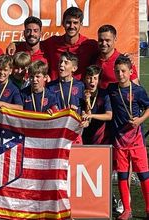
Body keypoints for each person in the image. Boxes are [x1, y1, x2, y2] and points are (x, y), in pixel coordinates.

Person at [108, 55, 149, 219]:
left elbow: (148, 108)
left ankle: (148, 208)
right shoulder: (112, 90)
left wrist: (140, 120)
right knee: (122, 176)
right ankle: (127, 209)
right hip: (119, 141)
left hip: (136, 140)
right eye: (117, 71)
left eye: (124, 71)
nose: (120, 74)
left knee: (144, 175)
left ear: (131, 72)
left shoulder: (138, 90)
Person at [7, 7, 98, 81]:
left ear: (81, 24)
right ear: (63, 23)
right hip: (54, 93)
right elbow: (34, 41)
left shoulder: (90, 44)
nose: (71, 26)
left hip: (79, 93)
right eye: (68, 22)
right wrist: (14, 43)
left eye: (75, 23)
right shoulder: (53, 42)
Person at [47, 52, 85, 144]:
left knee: (75, 157)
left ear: (74, 68)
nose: (61, 65)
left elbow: (85, 108)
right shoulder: (50, 86)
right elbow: (47, 106)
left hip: (75, 130)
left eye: (66, 62)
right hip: (57, 131)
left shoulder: (80, 85)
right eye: (60, 62)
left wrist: (84, 117)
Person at [96, 24, 139, 89]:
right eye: (101, 40)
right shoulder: (93, 57)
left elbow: (136, 88)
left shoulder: (124, 61)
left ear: (115, 39)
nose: (104, 44)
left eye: (107, 40)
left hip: (117, 98)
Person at [81, 65, 112, 144]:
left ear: (99, 80)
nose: (92, 81)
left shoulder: (104, 94)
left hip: (99, 137)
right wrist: (86, 101)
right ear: (84, 79)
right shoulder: (80, 94)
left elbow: (109, 116)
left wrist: (92, 116)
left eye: (95, 78)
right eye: (89, 78)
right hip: (83, 135)